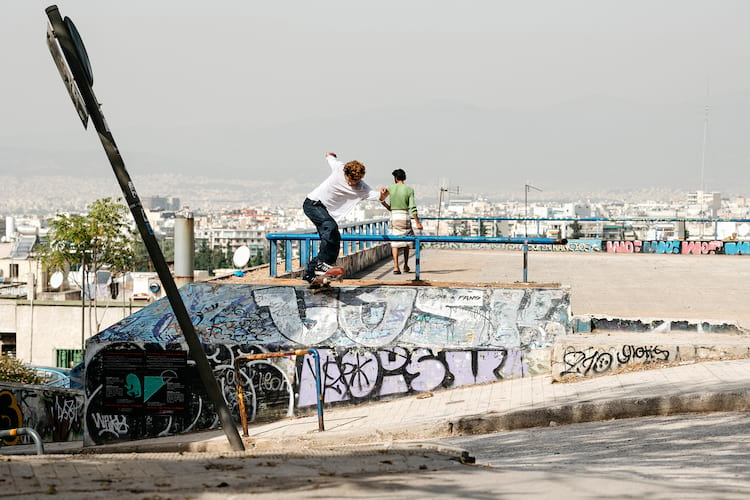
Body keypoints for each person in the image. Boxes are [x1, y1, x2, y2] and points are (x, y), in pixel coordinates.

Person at [302, 152, 388, 283]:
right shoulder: (339, 169)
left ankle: (313, 273)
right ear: (345, 173)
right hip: (312, 203)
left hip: (324, 210)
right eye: (350, 180)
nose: (352, 183)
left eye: (355, 181)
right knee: (330, 227)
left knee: (335, 236)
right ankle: (320, 264)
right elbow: (331, 159)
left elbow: (377, 197)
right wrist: (329, 155)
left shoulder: (362, 187)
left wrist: (383, 195)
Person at [381, 168, 423, 274]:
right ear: (404, 178)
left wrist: (388, 206)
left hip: (394, 216)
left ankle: (396, 267)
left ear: (395, 178)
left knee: (395, 243)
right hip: (404, 216)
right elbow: (412, 207)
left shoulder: (390, 188)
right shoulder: (409, 190)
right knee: (406, 242)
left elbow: (381, 199)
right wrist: (417, 222)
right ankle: (405, 265)